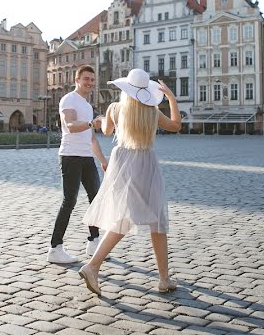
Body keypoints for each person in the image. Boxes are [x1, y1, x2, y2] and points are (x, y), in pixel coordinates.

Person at [78, 68, 181, 296]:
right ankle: (94, 266)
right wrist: (171, 98)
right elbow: (176, 125)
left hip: (122, 162)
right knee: (157, 219)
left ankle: (162, 278)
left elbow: (106, 131)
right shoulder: (152, 111)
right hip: (145, 162)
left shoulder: (115, 108)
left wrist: (101, 120)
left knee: (125, 218)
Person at [47, 65, 109, 264]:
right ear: (77, 80)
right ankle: (55, 248)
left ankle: (94, 241)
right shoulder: (69, 99)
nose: (90, 83)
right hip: (70, 156)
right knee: (70, 200)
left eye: (92, 79)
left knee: (95, 198)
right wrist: (92, 123)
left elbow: (91, 139)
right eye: (86, 79)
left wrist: (103, 161)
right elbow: (72, 126)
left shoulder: (88, 106)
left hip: (86, 157)